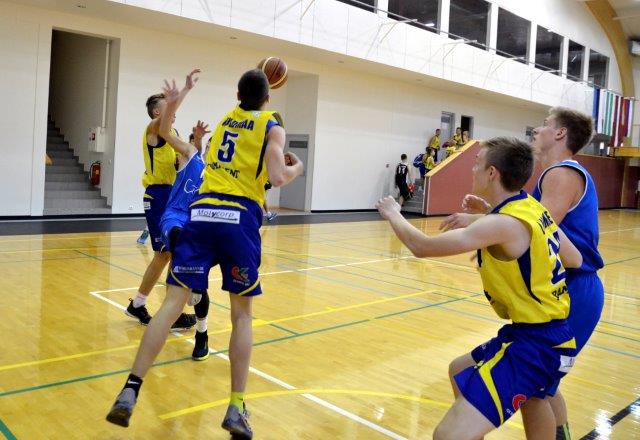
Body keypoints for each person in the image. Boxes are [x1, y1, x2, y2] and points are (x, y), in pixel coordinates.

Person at [106, 68, 304, 439]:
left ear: (237, 95)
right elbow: (277, 177)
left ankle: (130, 388)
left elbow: (183, 139)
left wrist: (180, 104)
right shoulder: (271, 123)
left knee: (171, 304)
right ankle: (236, 406)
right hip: (237, 217)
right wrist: (298, 167)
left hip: (201, 213)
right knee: (242, 316)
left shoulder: (227, 119)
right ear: (268, 98)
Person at [376, 136, 581, 440]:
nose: (473, 169)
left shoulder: (504, 223)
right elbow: (574, 258)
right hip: (551, 335)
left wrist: (393, 212)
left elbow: (422, 246)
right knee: (460, 371)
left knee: (447, 435)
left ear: (492, 173)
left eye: (477, 163)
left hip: (535, 344)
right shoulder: (532, 208)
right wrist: (490, 218)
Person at [441, 107, 602, 440]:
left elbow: (538, 231)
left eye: (545, 125)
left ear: (560, 134)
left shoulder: (560, 173)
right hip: (563, 287)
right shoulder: (556, 174)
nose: (537, 130)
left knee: (536, 390)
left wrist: (484, 227)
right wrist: (489, 217)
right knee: (542, 389)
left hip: (573, 288)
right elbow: (530, 225)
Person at [124, 71, 202, 330]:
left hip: (172, 195)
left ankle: (141, 305)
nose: (173, 110)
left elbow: (189, 158)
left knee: (168, 253)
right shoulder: (153, 129)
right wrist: (184, 91)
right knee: (166, 253)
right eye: (168, 106)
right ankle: (163, 310)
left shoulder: (171, 131)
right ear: (157, 112)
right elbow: (167, 118)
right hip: (157, 194)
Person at [156, 78, 212, 360]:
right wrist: (175, 100)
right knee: (178, 239)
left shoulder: (219, 172)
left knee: (200, 279)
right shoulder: (190, 155)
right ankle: (192, 286)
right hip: (175, 217)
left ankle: (202, 333)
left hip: (200, 222)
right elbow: (165, 131)